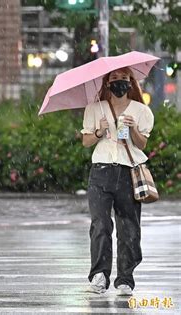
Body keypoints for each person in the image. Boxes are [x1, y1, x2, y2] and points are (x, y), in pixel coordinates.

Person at [81, 67, 154, 296]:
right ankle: (99, 275)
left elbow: (142, 145)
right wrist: (100, 131)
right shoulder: (95, 109)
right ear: (107, 82)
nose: (119, 82)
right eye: (114, 79)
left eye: (124, 79)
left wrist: (133, 129)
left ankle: (125, 278)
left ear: (131, 82)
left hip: (128, 173)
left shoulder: (142, 111)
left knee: (129, 228)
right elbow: (86, 141)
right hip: (101, 171)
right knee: (100, 224)